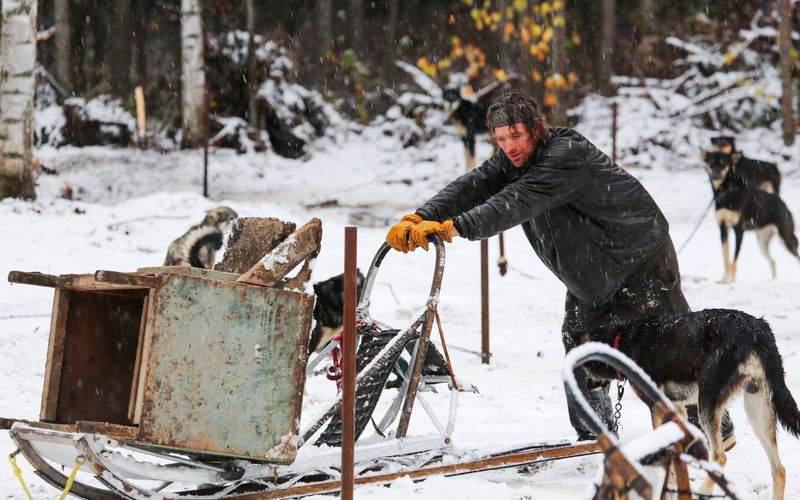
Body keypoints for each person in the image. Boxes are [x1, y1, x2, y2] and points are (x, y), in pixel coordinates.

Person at [385, 91, 734, 446]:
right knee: (580, 343)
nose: (509, 146)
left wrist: (451, 228)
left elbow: (514, 202)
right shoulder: (513, 161)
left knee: (668, 348)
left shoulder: (565, 157)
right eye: (501, 139)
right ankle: (594, 436)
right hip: (590, 270)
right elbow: (476, 183)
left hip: (638, 257)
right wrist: (423, 215)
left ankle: (712, 430)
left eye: (516, 135)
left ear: (536, 128)